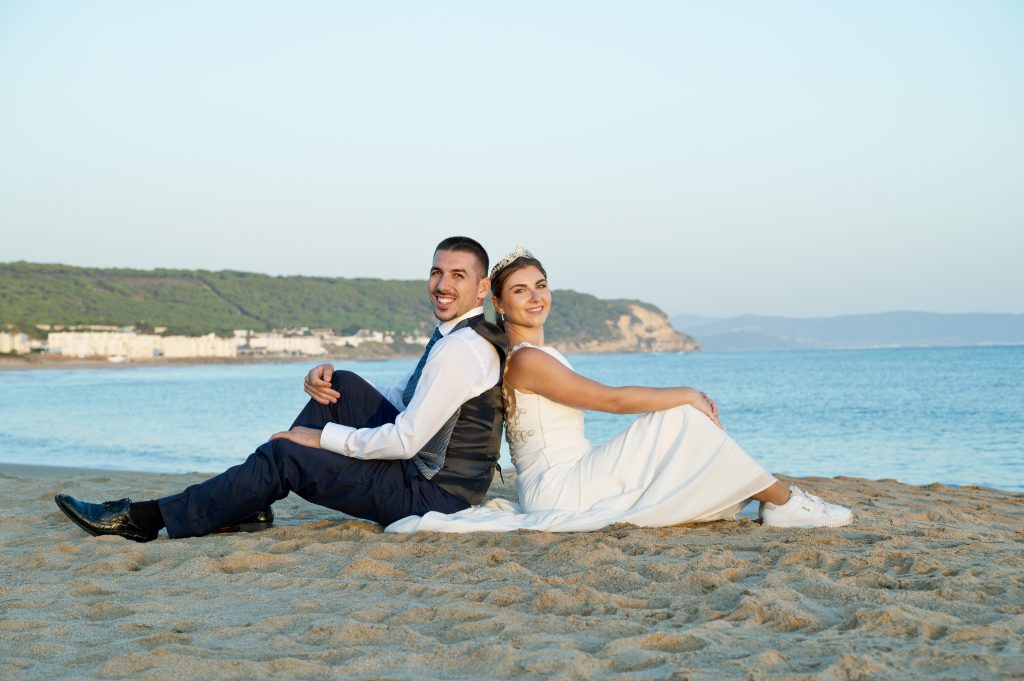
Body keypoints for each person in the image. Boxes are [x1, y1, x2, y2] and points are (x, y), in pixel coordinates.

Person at [55, 236, 507, 542]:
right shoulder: (460, 338)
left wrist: (320, 438)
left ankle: (146, 519)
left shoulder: (462, 350)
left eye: (457, 276)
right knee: (341, 385)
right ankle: (252, 500)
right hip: (435, 480)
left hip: (433, 495)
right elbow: (413, 395)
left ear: (482, 287)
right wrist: (326, 380)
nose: (442, 285)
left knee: (286, 455)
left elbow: (407, 438)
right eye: (436, 272)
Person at [386, 248, 853, 533]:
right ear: (500, 303)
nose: (535, 297)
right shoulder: (526, 360)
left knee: (680, 424)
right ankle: (785, 504)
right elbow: (610, 400)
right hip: (559, 489)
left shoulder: (535, 355)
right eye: (521, 290)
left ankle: (775, 501)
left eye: (541, 286)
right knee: (680, 417)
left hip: (569, 477)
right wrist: (687, 392)